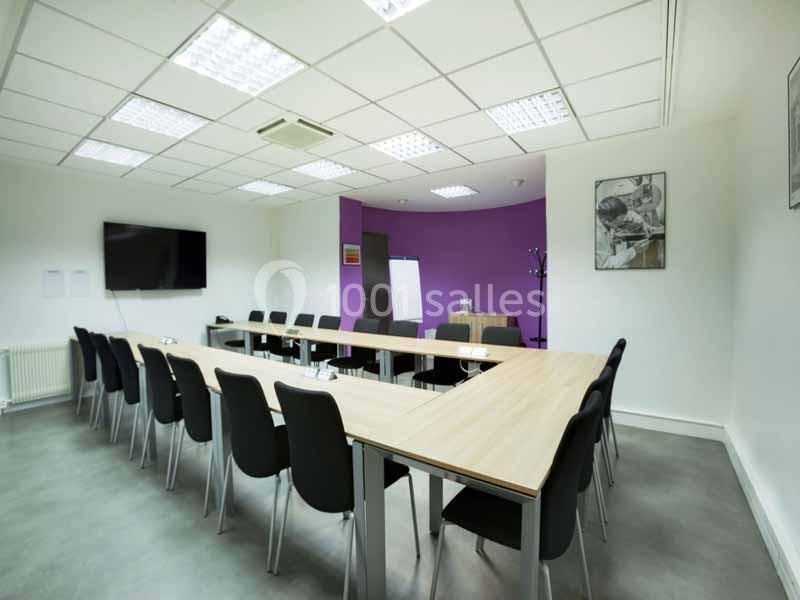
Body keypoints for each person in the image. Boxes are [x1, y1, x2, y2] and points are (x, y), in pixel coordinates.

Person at [595, 196, 653, 269]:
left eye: (623, 219)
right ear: (605, 221)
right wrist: (634, 250)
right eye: (618, 223)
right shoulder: (597, 237)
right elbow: (605, 265)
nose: (622, 222)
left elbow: (630, 214)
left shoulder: (608, 215)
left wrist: (643, 223)